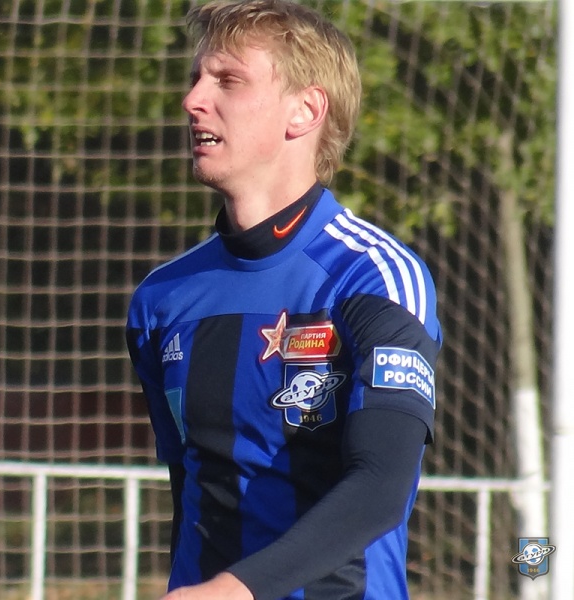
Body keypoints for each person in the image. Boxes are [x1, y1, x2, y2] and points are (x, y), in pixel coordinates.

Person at [125, 1, 442, 599]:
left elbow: (380, 486)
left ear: (306, 110)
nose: (192, 100)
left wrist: (234, 590)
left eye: (228, 80)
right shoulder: (160, 300)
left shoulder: (373, 276)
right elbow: (191, 492)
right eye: (195, 78)